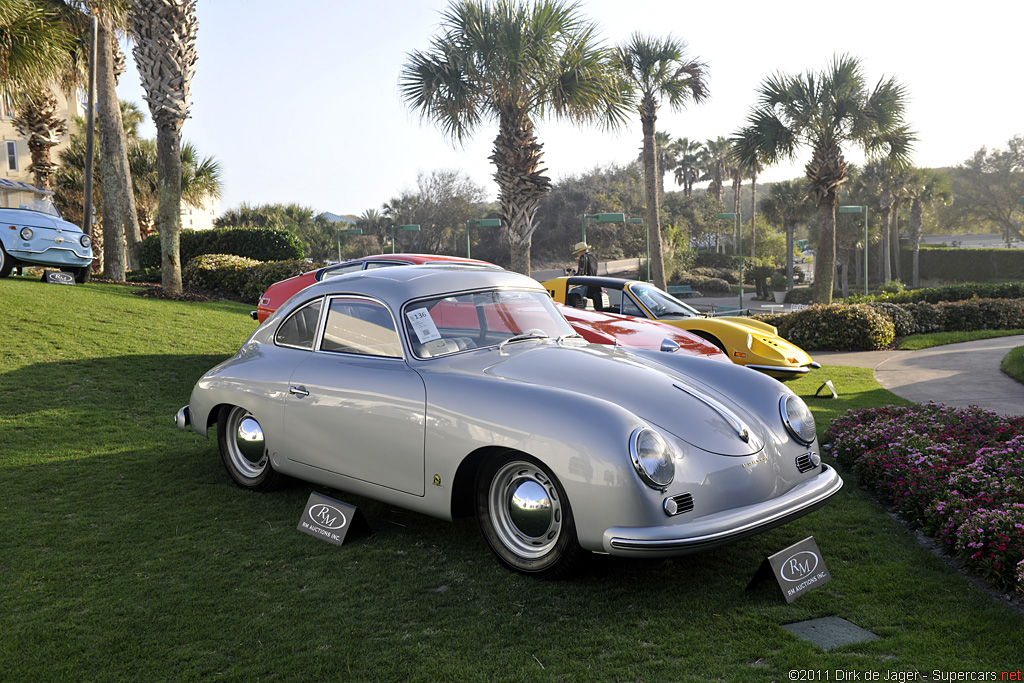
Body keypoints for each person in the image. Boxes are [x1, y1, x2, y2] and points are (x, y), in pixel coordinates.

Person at [570, 241, 603, 311]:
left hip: (587, 287)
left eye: (578, 253)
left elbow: (580, 275)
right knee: (598, 308)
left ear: (580, 251)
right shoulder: (594, 258)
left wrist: (573, 275)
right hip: (595, 286)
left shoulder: (583, 258)